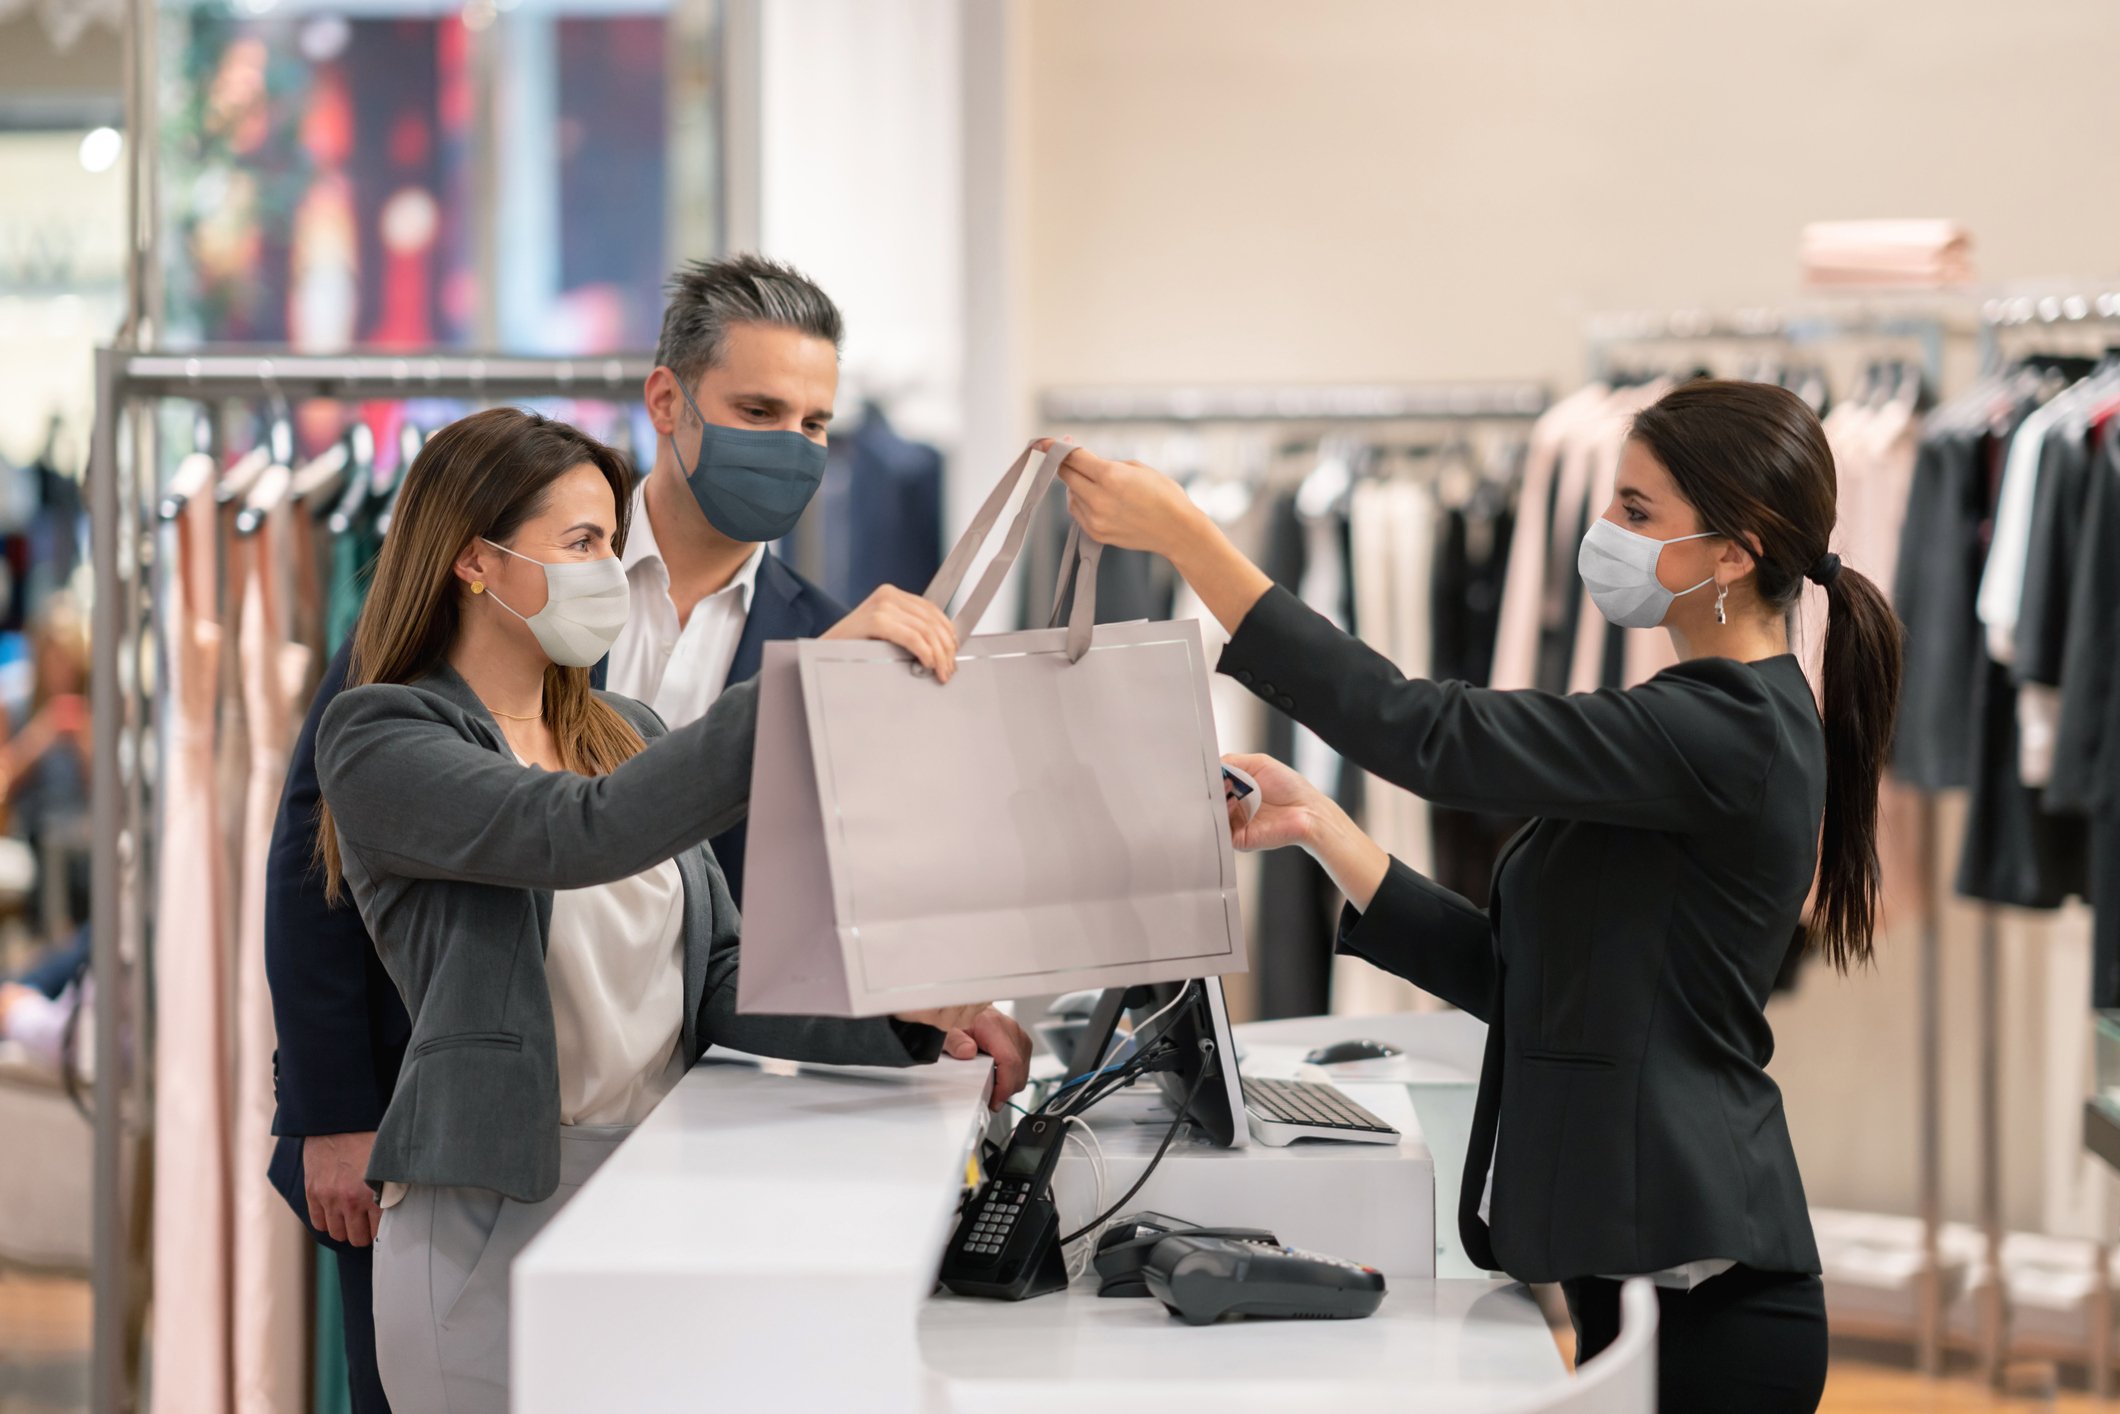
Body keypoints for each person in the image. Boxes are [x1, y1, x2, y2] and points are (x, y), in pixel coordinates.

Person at [265, 254, 1032, 1413]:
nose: (601, 569)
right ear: (476, 560)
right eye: (576, 545)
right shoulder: (387, 724)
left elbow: (719, 968)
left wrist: (906, 1015)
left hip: (660, 1176)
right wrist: (329, 1107)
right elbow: (568, 835)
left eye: (817, 421)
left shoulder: (620, 723)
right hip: (481, 1180)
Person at [1046, 380, 1902, 1414]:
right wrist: (1324, 829)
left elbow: (1427, 733)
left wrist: (1192, 541)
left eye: (1635, 512)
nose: (1602, 534)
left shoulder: (1729, 727)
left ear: (1735, 551)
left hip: (1715, 1303)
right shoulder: (1700, 720)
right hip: (1647, 1279)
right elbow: (1528, 984)